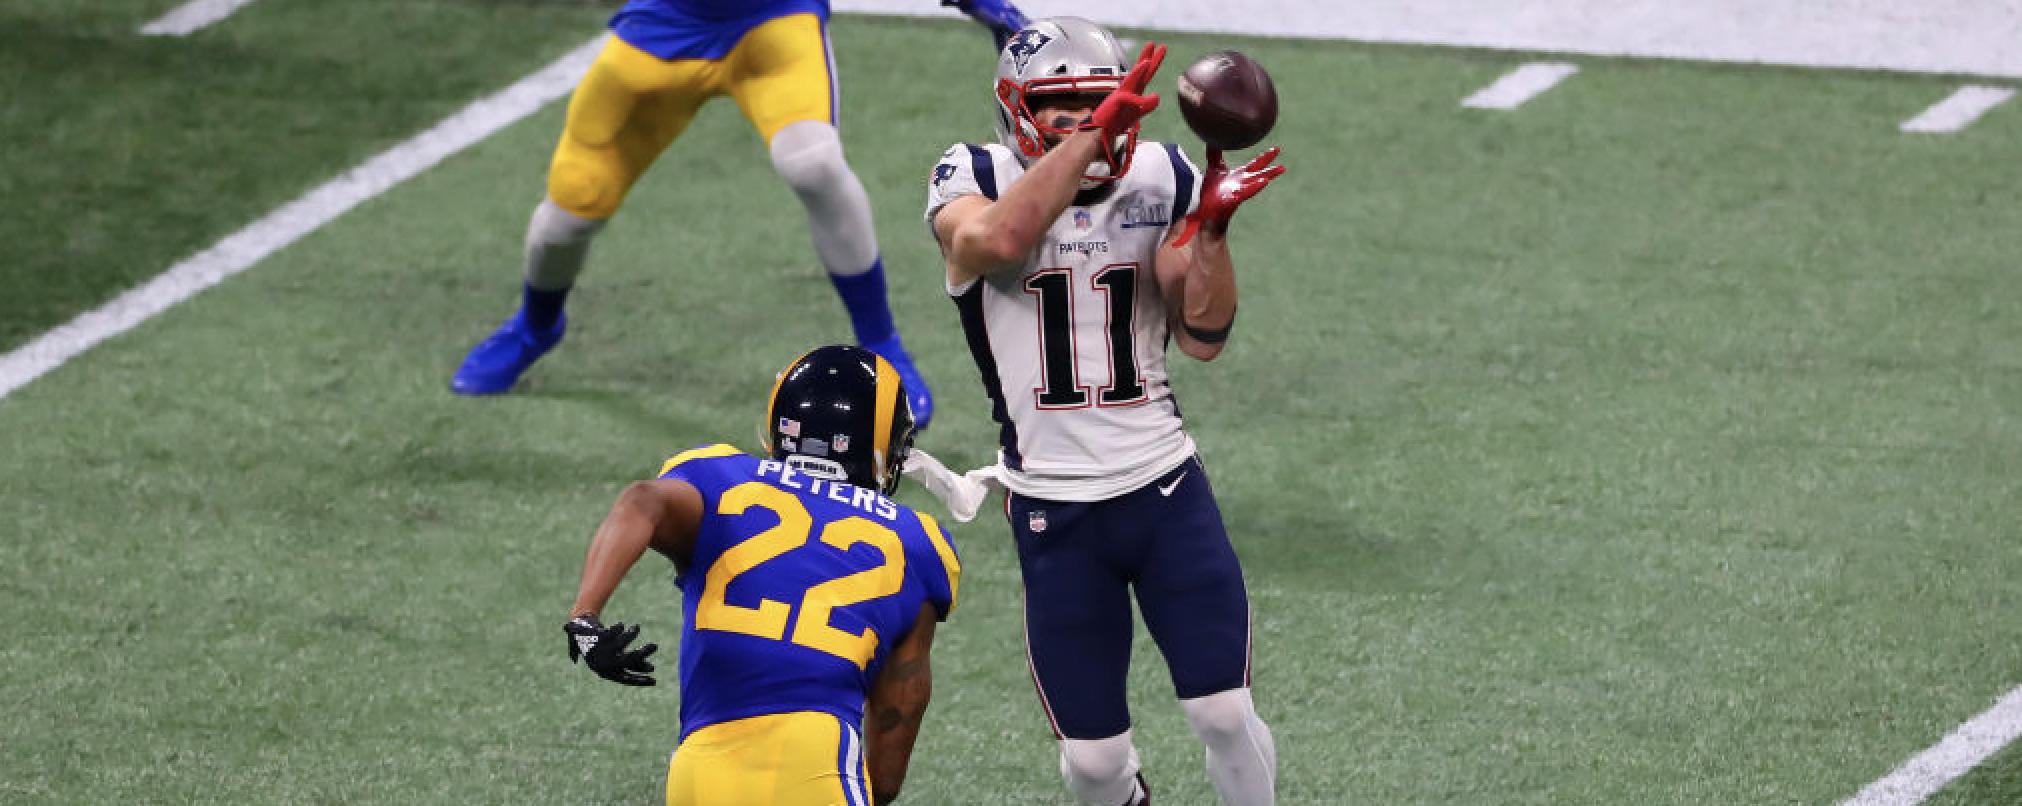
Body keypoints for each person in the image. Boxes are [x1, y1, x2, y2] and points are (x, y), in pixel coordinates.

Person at [918, 17, 1286, 806]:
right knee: (1091, 764)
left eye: (1104, 100)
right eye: (1067, 108)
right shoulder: (971, 173)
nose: (1091, 119)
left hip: (1162, 487)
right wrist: (1090, 143)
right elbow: (1002, 237)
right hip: (1054, 506)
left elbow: (1205, 335)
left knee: (1223, 711)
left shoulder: (1160, 172)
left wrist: (1212, 230)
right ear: (1020, 111)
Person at [450, 0, 1033, 431]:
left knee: (815, 165)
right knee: (567, 216)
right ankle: (536, 323)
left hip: (771, 21)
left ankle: (880, 343)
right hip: (661, 27)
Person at [562, 344, 962, 806]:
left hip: (699, 769)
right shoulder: (917, 540)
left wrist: (586, 617)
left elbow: (640, 502)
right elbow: (898, 718)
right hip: (814, 764)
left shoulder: (718, 477)